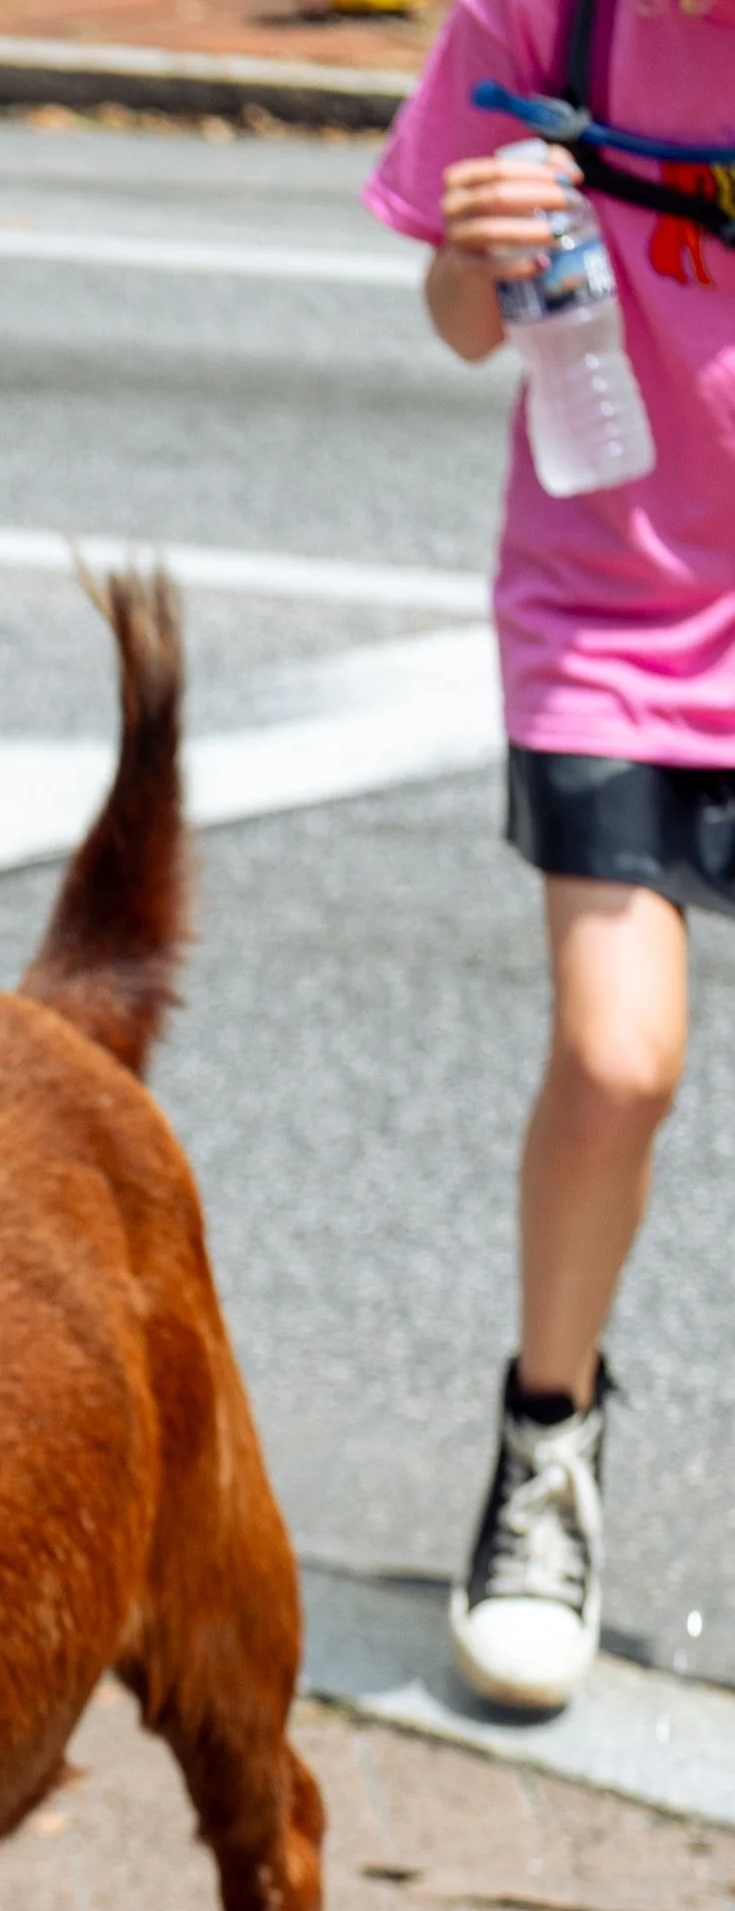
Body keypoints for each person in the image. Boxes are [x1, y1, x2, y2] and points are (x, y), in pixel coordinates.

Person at [366, 0, 734, 1717]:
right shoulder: (540, 18)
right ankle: (546, 1446)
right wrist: (478, 250)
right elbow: (459, 326)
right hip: (613, 616)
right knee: (616, 1060)